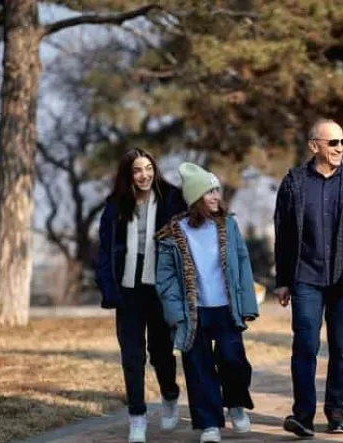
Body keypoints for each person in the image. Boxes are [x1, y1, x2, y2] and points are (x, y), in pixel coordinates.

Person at [273, 118, 343, 437]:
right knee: (305, 345)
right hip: (306, 277)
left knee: (342, 349)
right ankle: (302, 415)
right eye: (333, 142)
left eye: (342, 142)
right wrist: (283, 279)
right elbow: (283, 234)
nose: (340, 148)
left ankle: (336, 411)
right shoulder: (293, 182)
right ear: (314, 145)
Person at [155, 162, 259, 443]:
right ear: (195, 197)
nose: (216, 196)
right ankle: (209, 424)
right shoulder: (173, 233)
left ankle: (235, 403)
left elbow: (242, 263)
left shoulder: (228, 225)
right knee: (198, 369)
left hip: (226, 309)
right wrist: (176, 314)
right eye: (209, 192)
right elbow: (165, 279)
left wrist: (247, 305)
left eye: (216, 191)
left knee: (233, 360)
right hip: (193, 313)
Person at [94, 148, 185, 443]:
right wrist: (108, 288)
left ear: (154, 170)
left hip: (160, 287)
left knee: (161, 352)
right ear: (128, 175)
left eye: (148, 168)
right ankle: (137, 417)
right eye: (137, 170)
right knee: (132, 356)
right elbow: (105, 251)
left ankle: (170, 394)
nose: (144, 175)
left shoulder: (171, 199)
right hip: (128, 289)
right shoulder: (115, 206)